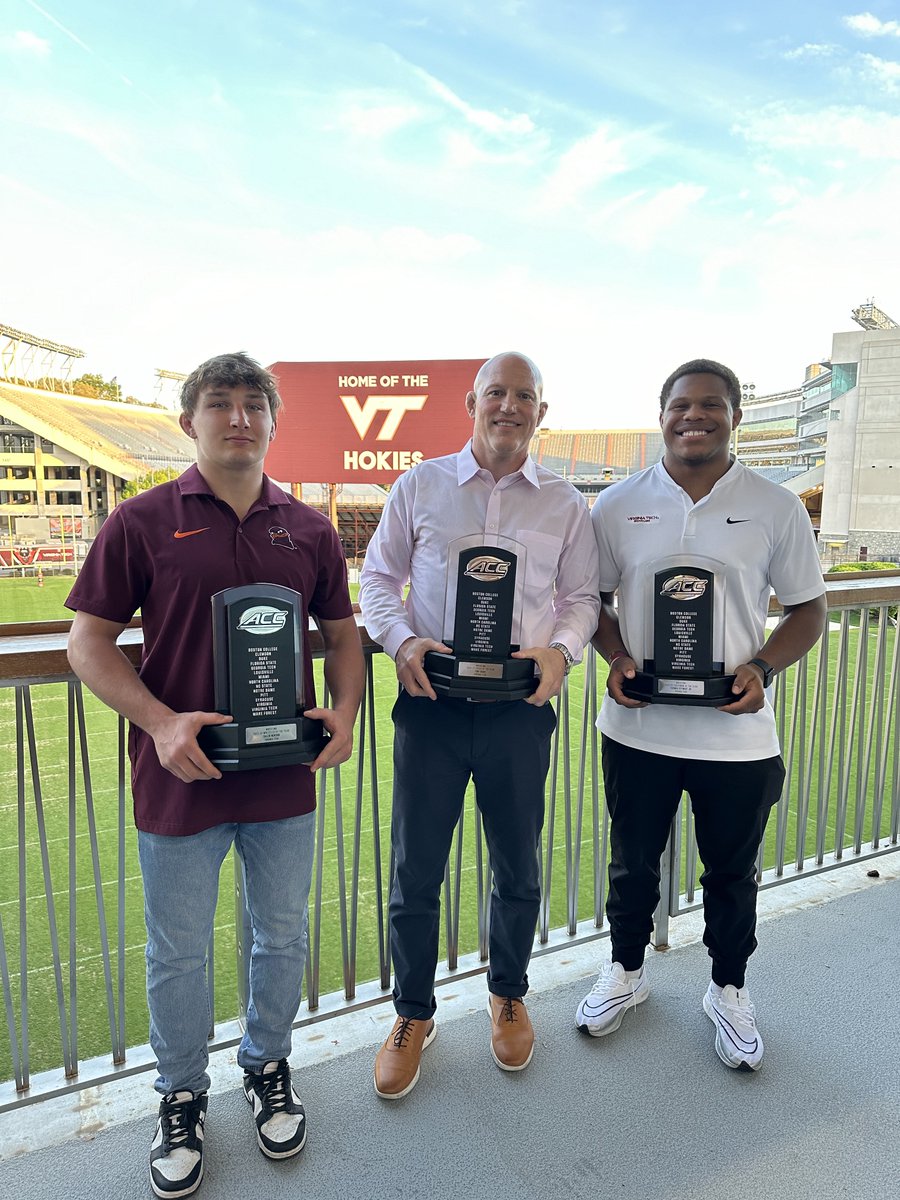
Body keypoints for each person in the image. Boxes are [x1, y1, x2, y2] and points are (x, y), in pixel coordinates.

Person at [65, 353, 364, 1197]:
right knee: (178, 955)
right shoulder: (141, 521)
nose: (238, 418)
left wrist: (344, 713)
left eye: (252, 406)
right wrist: (159, 723)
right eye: (219, 404)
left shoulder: (304, 528)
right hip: (180, 779)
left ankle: (268, 1067)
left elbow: (343, 634)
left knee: (282, 936)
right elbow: (88, 642)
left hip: (281, 781)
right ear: (189, 421)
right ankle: (181, 1096)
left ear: (272, 422)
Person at [359, 351, 600, 1098]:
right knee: (415, 872)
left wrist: (561, 654)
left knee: (517, 867)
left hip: (518, 715)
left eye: (524, 396)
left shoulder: (564, 503)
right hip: (431, 709)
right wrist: (400, 641)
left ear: (541, 412)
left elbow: (583, 598)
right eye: (496, 392)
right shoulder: (421, 485)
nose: (509, 406)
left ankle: (507, 993)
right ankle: (413, 1014)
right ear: (472, 401)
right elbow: (376, 578)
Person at [575, 358, 826, 1071]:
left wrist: (764, 668)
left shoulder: (774, 505)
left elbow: (809, 609)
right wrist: (617, 657)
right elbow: (591, 602)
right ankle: (626, 973)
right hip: (637, 729)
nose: (695, 416)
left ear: (736, 416)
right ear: (662, 414)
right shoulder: (617, 503)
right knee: (632, 866)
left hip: (738, 738)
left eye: (711, 405)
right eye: (681, 405)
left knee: (731, 873)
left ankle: (728, 988)